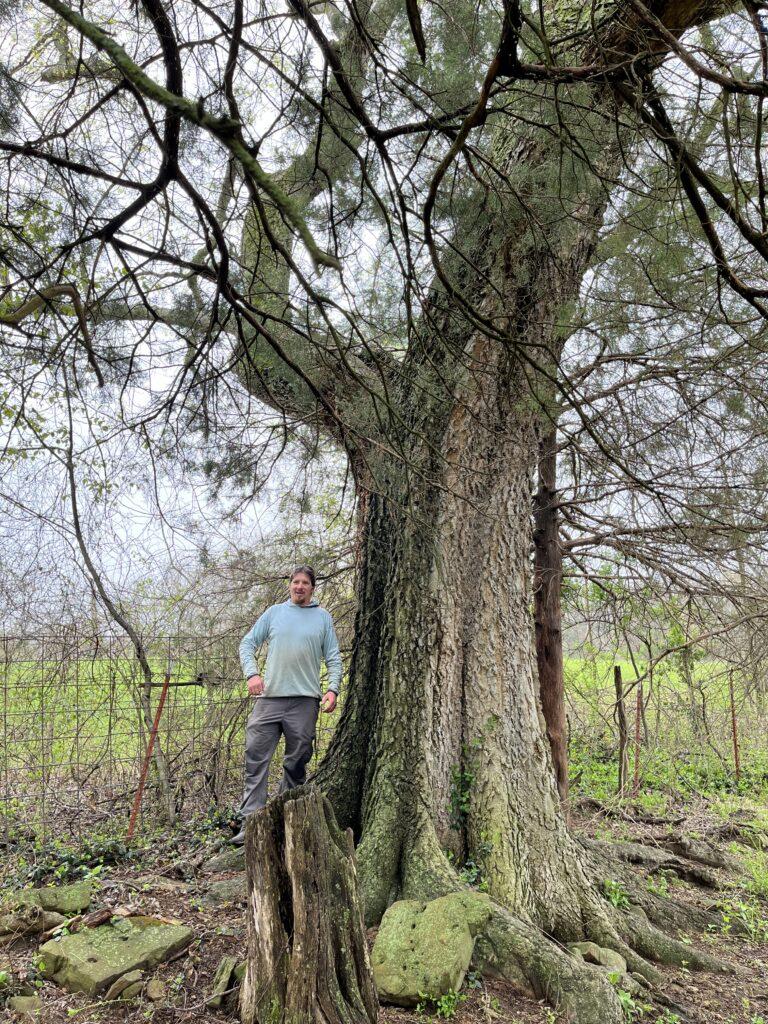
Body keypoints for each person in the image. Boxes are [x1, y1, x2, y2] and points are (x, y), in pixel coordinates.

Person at [231, 565, 341, 845]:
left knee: (297, 760)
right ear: (290, 585)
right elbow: (247, 643)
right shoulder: (274, 613)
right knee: (255, 758)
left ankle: (284, 819)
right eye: (295, 582)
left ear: (312, 588)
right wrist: (252, 673)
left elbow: (333, 657)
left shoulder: (322, 618)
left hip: (305, 701)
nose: (299, 586)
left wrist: (332, 689)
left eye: (305, 583)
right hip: (269, 700)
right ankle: (251, 822)